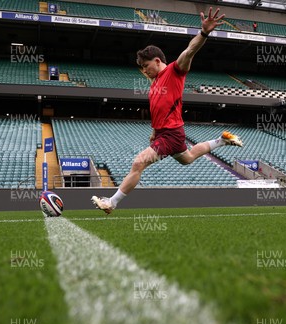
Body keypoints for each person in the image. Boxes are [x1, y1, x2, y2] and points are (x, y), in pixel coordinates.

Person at [92, 7, 243, 214]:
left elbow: (190, 51)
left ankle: (112, 202)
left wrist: (204, 32)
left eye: (146, 66)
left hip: (171, 133)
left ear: (157, 60)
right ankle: (221, 140)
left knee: (138, 163)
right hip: (166, 132)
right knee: (187, 158)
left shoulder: (174, 71)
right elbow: (158, 109)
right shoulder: (154, 83)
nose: (144, 70)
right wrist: (155, 131)